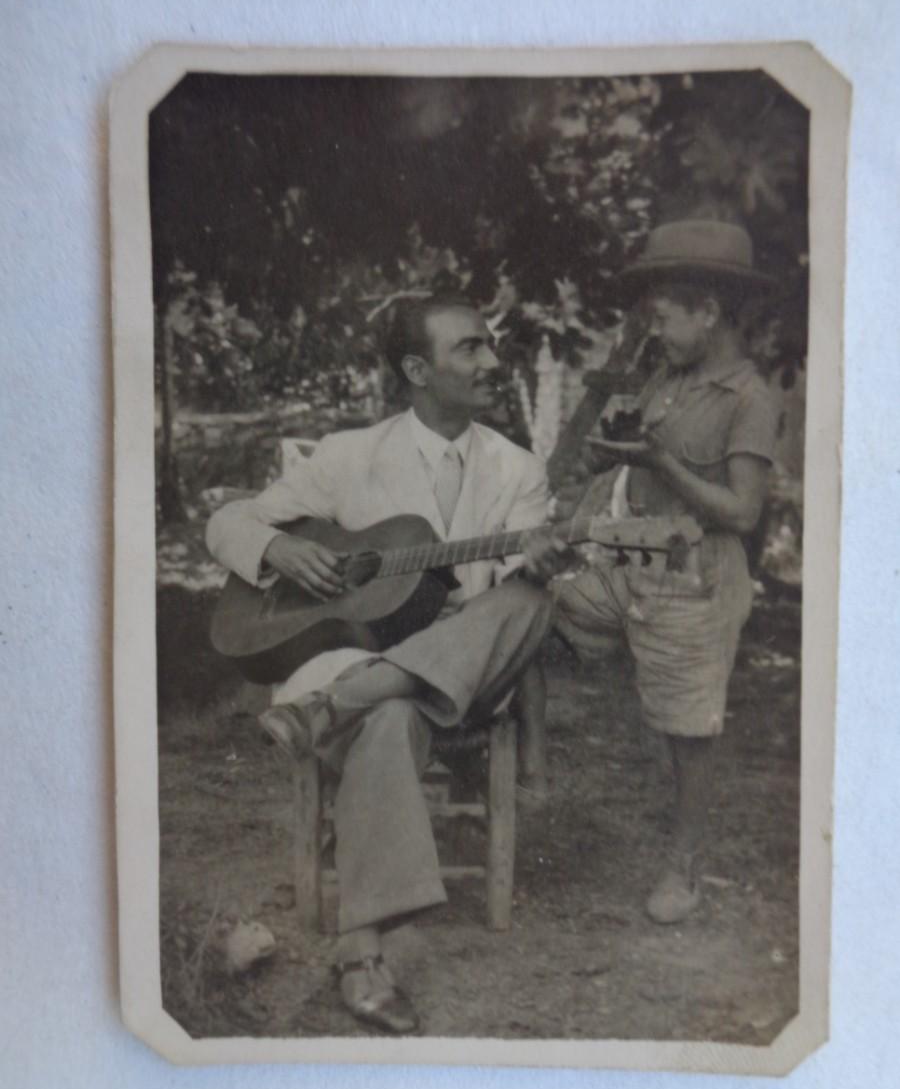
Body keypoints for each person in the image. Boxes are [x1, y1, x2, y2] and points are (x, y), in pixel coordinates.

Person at [207, 294, 572, 1033]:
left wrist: (533, 564)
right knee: (390, 714)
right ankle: (361, 951)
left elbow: (507, 606)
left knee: (535, 598)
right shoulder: (349, 457)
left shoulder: (517, 470)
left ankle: (339, 704)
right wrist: (277, 548)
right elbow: (228, 521)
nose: (492, 363)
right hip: (362, 662)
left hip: (467, 673)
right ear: (417, 369)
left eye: (489, 346)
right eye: (470, 348)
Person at [553, 219, 780, 926]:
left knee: (688, 728)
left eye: (666, 319)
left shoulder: (749, 397)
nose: (657, 332)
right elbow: (641, 451)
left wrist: (662, 464)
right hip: (636, 549)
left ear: (708, 314)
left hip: (698, 571)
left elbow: (743, 513)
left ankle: (684, 865)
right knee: (536, 601)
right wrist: (609, 453)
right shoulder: (669, 377)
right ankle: (489, 767)